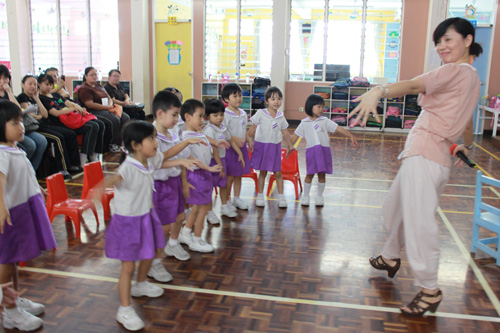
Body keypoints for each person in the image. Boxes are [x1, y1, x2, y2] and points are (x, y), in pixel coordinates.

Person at [348, 17, 481, 316]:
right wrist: (458, 143)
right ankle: (390, 256)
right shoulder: (472, 77)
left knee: (420, 223)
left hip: (426, 157)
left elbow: (413, 84)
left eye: (448, 39)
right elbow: (459, 116)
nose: (441, 46)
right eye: (438, 42)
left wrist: (378, 90)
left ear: (468, 40)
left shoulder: (455, 70)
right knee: (395, 208)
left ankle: (430, 289)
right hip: (429, 151)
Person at [95, 121, 198, 331]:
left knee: (150, 253)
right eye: (150, 138)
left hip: (146, 216)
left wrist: (183, 161)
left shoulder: (149, 160)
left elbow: (166, 159)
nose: (155, 142)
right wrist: (98, 188)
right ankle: (124, 309)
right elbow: (117, 177)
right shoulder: (128, 166)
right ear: (136, 145)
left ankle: (140, 284)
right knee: (128, 267)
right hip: (128, 222)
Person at [0, 100, 57, 331]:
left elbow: (23, 174)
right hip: (10, 213)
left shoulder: (14, 148)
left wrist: (36, 187)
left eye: (21, 121)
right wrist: (1, 207)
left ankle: (13, 301)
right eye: (15, 123)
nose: (21, 126)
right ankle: (10, 311)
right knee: (5, 259)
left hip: (21, 208)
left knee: (13, 258)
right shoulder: (2, 153)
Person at [148, 91, 206, 282]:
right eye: (174, 115)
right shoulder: (152, 136)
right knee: (163, 227)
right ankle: (153, 264)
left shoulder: (172, 134)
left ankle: (172, 244)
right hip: (160, 185)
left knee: (180, 216)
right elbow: (161, 161)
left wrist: (184, 182)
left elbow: (179, 159)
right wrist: (186, 145)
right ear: (159, 114)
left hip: (173, 182)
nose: (177, 119)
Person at [288, 94, 358, 206]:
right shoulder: (304, 123)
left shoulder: (325, 120)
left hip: (324, 151)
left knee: (322, 175)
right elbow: (293, 138)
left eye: (322, 106)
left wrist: (350, 135)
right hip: (311, 152)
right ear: (310, 106)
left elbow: (338, 128)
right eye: (319, 106)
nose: (322, 109)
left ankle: (319, 197)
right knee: (309, 174)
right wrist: (282, 135)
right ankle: (306, 196)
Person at [178, 99, 222, 253]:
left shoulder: (199, 134)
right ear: (188, 117)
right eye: (200, 116)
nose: (203, 120)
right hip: (197, 175)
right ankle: (196, 239)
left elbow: (207, 150)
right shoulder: (185, 138)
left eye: (204, 116)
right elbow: (192, 160)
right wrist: (208, 169)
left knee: (199, 208)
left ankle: (186, 233)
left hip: (204, 174)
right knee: (201, 208)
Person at [39, 74, 105, 166]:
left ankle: (94, 153)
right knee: (92, 126)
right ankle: (84, 156)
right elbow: (55, 113)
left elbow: (68, 103)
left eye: (51, 84)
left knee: (100, 124)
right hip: (62, 122)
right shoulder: (42, 99)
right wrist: (71, 109)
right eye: (46, 84)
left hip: (72, 118)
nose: (49, 87)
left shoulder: (56, 95)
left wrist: (77, 107)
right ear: (39, 84)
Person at [246, 86, 294, 208]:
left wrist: (290, 145)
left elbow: (285, 133)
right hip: (261, 147)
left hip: (275, 147)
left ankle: (281, 197)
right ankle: (260, 195)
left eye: (279, 98)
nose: (276, 101)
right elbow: (251, 130)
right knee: (262, 172)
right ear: (267, 101)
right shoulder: (260, 113)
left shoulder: (280, 116)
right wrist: (248, 140)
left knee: (278, 173)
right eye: (273, 99)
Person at [0, 66, 47, 173]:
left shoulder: (8, 94)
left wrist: (9, 92)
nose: (3, 81)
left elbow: (17, 111)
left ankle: (31, 172)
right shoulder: (22, 97)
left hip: (20, 127)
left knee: (41, 141)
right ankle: (20, 171)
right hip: (6, 131)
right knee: (30, 145)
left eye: (5, 78)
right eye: (0, 78)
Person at [203, 99, 241, 219]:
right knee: (210, 187)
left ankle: (224, 206)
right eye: (215, 115)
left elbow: (230, 140)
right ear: (208, 116)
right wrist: (220, 167)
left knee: (223, 185)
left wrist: (239, 152)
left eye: (221, 114)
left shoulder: (223, 128)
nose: (219, 117)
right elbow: (214, 150)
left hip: (222, 159)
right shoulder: (209, 129)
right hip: (213, 162)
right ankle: (209, 212)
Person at [78, 67, 130, 153]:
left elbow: (108, 97)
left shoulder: (98, 85)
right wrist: (107, 107)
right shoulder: (84, 88)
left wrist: (109, 105)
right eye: (91, 75)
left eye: (95, 74)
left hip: (107, 108)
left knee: (125, 118)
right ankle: (112, 144)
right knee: (114, 119)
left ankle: (121, 142)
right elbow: (90, 104)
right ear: (86, 76)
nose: (94, 76)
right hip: (94, 111)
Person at [221, 83, 251, 211]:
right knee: (230, 176)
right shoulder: (225, 114)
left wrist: (248, 139)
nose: (238, 98)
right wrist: (233, 139)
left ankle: (236, 198)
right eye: (235, 96)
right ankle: (226, 200)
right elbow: (223, 132)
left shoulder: (243, 113)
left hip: (242, 148)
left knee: (239, 175)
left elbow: (244, 129)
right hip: (230, 149)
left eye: (240, 95)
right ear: (226, 99)